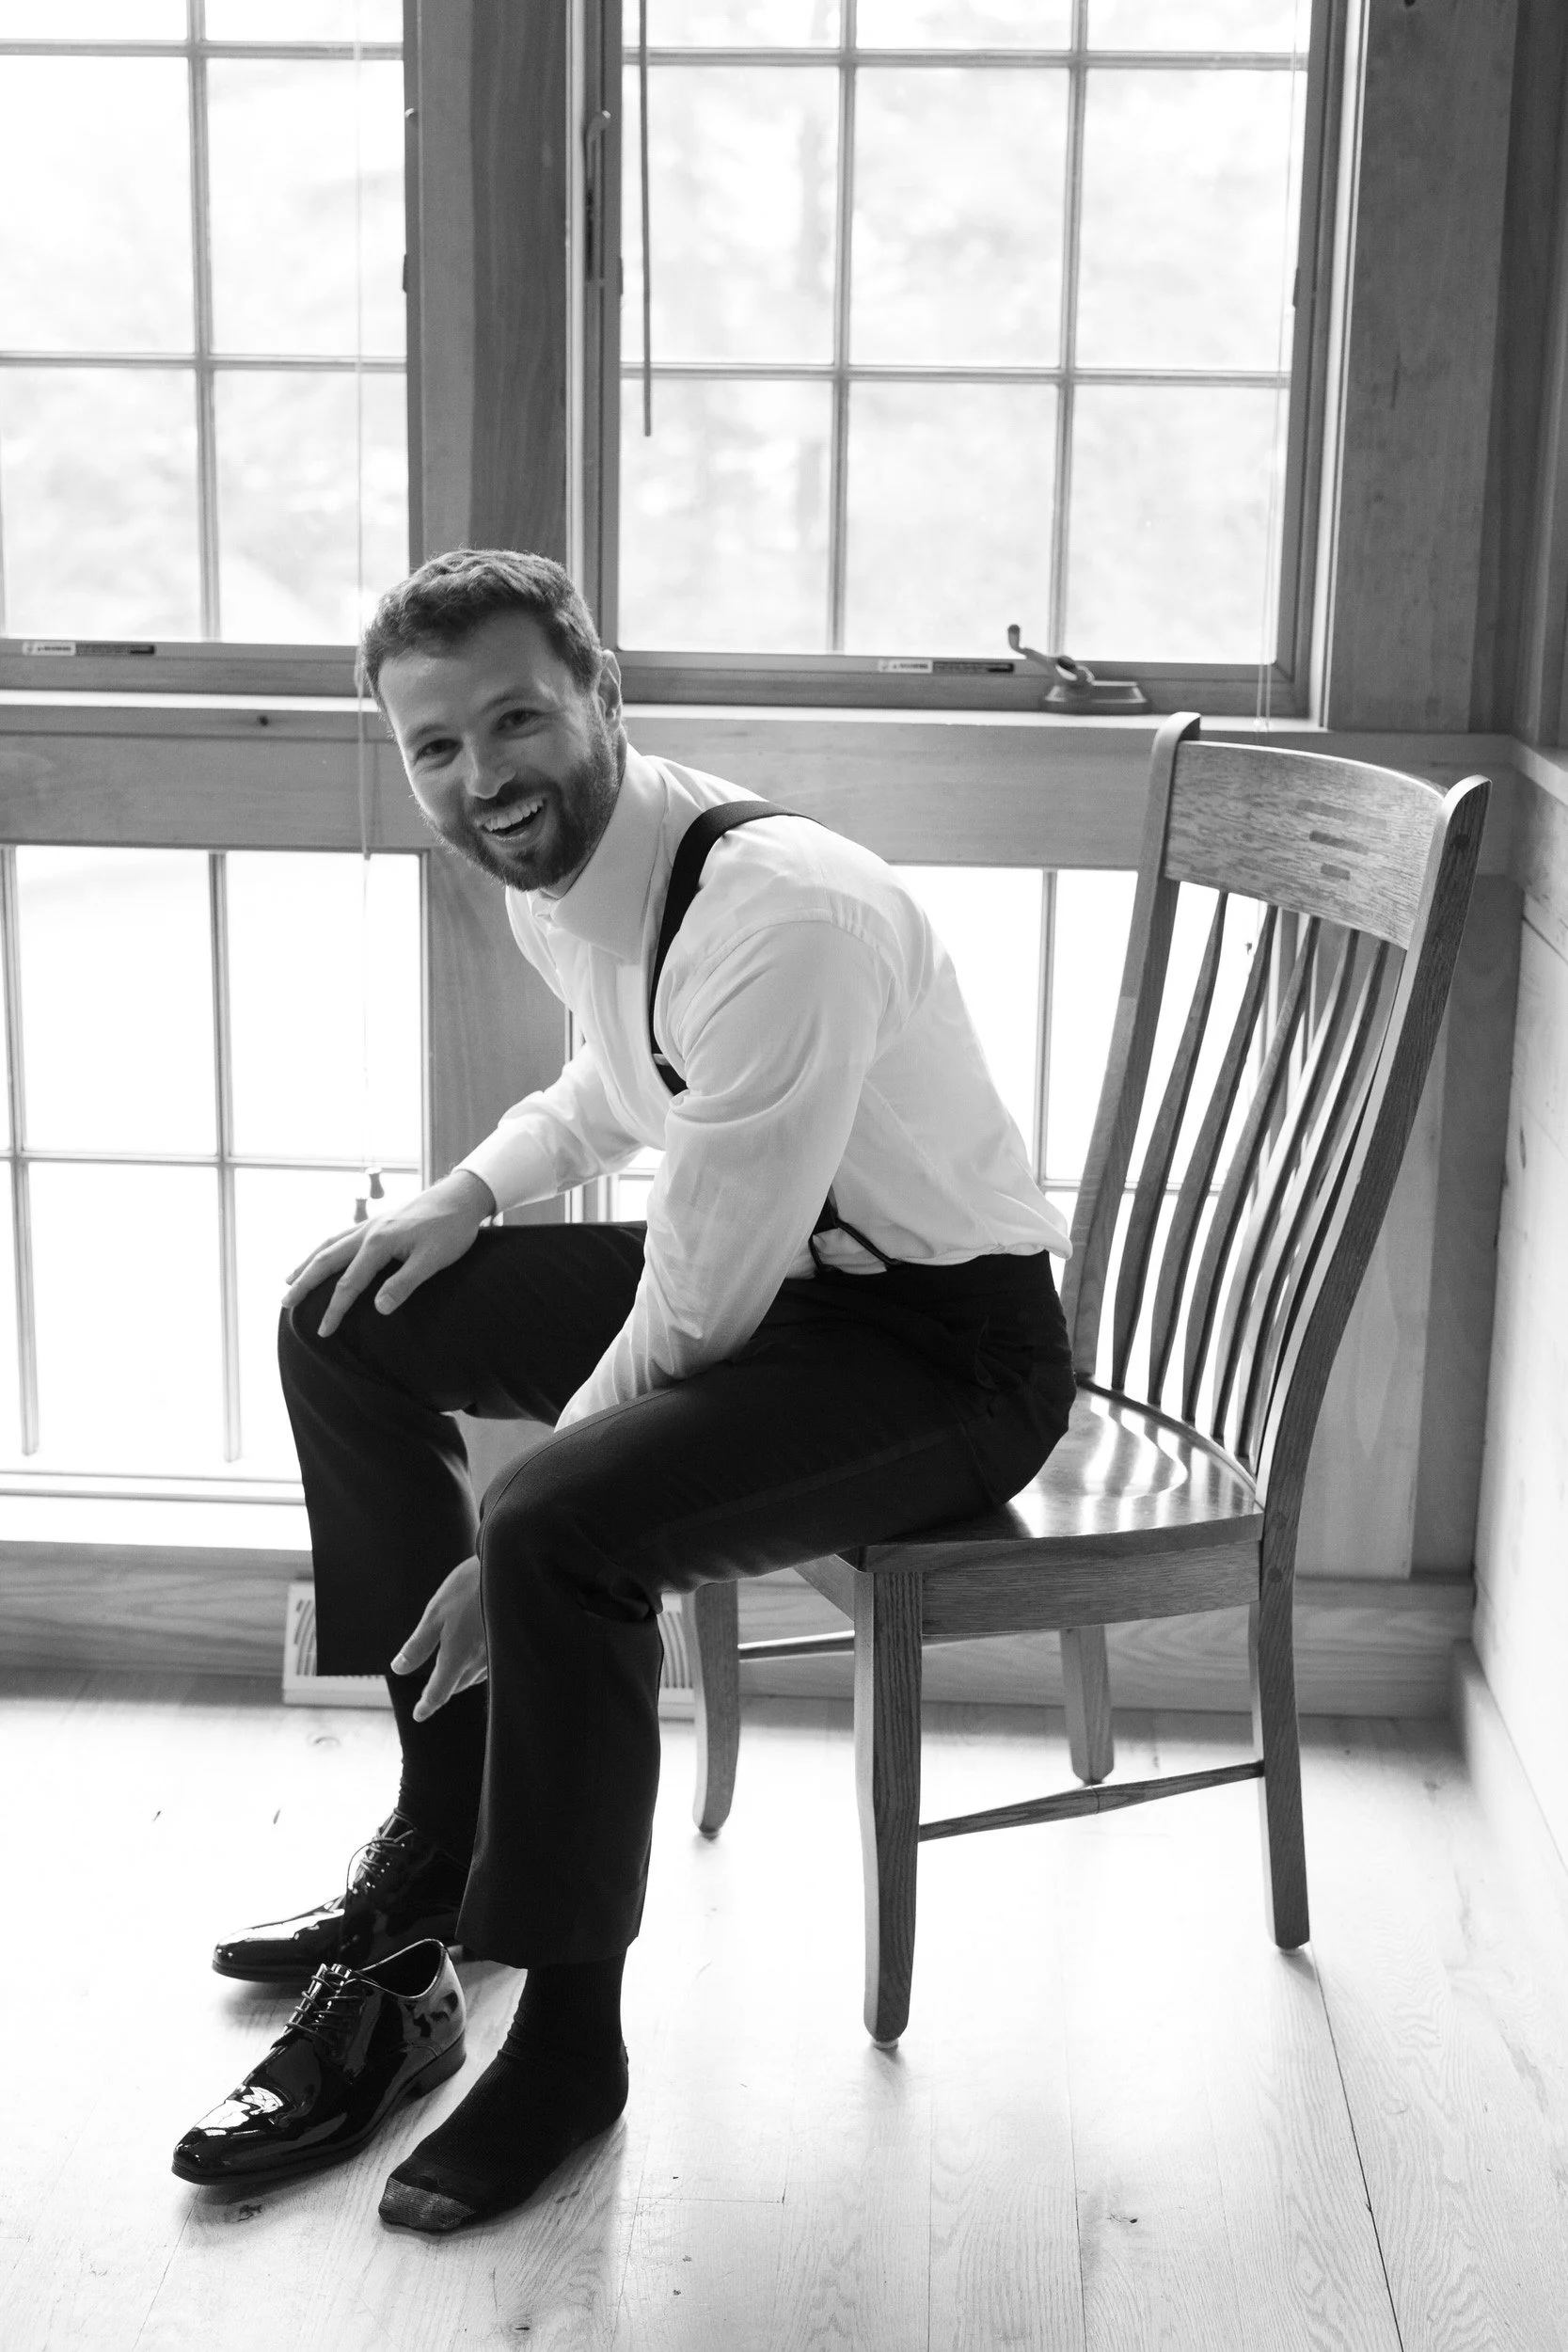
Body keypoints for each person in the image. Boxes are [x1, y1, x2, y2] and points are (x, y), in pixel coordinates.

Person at [174, 547, 1077, 2233]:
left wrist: (503, 1548)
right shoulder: (571, 865)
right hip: (794, 1290)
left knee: (564, 1527)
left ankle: (569, 2046)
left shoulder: (780, 915)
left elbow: (704, 1293)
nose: (481, 776)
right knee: (345, 1312)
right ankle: (438, 1846)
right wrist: (468, 1192)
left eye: (515, 719)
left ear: (601, 693)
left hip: (945, 1353)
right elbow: (620, 1072)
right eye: (434, 747)